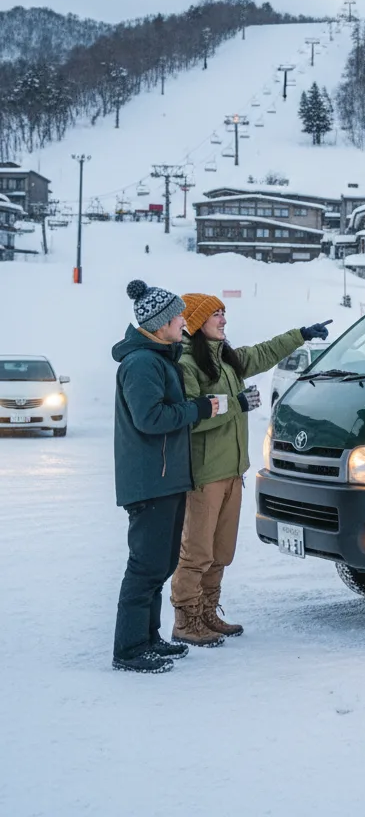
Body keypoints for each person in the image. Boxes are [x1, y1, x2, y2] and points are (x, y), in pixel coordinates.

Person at [169, 293, 331, 645]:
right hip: (204, 474)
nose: (224, 320)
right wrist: (235, 405)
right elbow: (190, 418)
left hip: (231, 471)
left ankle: (208, 612)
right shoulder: (187, 364)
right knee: (196, 552)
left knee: (221, 551)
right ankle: (186, 620)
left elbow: (263, 353)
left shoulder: (225, 359)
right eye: (216, 314)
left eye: (224, 313)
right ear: (196, 322)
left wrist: (301, 334)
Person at [111, 279, 219, 674]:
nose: (182, 324)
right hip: (149, 481)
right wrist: (197, 410)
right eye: (177, 318)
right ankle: (128, 649)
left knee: (161, 564)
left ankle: (149, 637)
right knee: (145, 567)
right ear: (159, 324)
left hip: (166, 478)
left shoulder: (159, 358)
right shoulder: (141, 363)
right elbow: (150, 418)